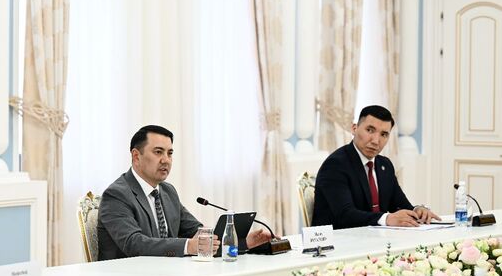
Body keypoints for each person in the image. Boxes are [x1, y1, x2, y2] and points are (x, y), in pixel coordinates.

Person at [97, 125, 271, 261]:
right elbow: (134, 244)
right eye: (158, 152)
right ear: (136, 156)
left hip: (165, 275)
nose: (166, 160)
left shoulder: (167, 191)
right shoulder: (116, 195)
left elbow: (197, 232)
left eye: (170, 153)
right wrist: (189, 246)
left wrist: (242, 242)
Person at [311, 105, 441, 229]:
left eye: (383, 134)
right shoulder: (335, 165)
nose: (375, 141)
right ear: (354, 128)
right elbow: (345, 215)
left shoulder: (385, 165)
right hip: (338, 240)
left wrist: (417, 210)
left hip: (376, 238)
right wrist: (386, 219)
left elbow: (399, 205)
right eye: (370, 130)